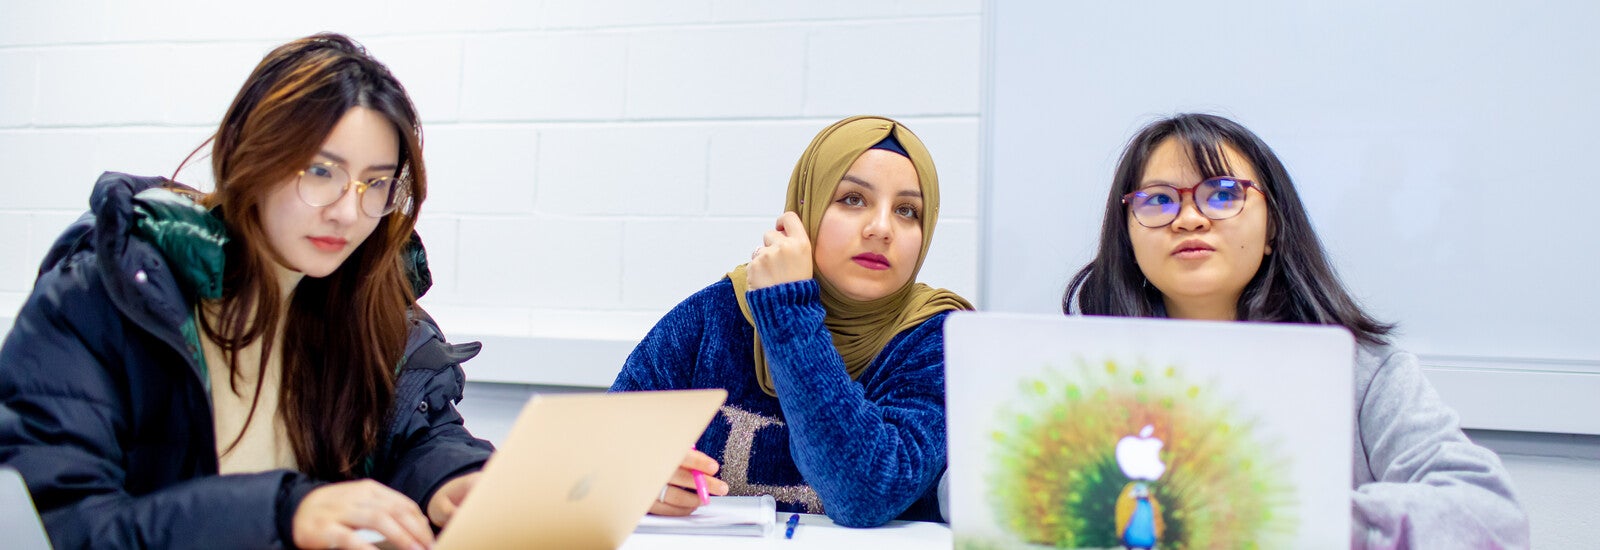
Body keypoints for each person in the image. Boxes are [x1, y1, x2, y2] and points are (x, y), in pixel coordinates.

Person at [0, 34, 493, 549]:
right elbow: (59, 525)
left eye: (376, 183)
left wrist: (451, 477)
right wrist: (281, 513)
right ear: (248, 155)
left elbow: (416, 433)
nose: (348, 212)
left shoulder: (370, 309)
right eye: (321, 172)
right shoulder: (103, 300)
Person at [1062, 113, 1529, 548]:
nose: (1189, 218)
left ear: (1271, 231)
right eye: (1159, 199)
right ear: (1127, 235)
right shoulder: (1078, 374)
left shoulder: (1363, 373)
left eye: (1223, 193)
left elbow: (1491, 515)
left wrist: (1276, 520)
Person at [610, 115, 974, 527]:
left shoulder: (937, 339)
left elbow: (865, 493)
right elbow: (598, 454)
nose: (881, 228)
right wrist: (638, 482)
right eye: (853, 199)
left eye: (907, 211)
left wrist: (786, 310)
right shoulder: (716, 317)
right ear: (804, 210)